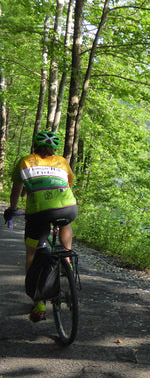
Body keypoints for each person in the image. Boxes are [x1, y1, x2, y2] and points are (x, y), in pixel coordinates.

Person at [4, 131, 78, 322]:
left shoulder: (25, 161)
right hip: (68, 208)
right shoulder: (62, 161)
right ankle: (67, 259)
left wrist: (13, 208)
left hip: (39, 213)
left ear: (34, 146)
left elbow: (16, 190)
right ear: (54, 149)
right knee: (65, 222)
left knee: (32, 253)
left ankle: (38, 300)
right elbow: (67, 185)